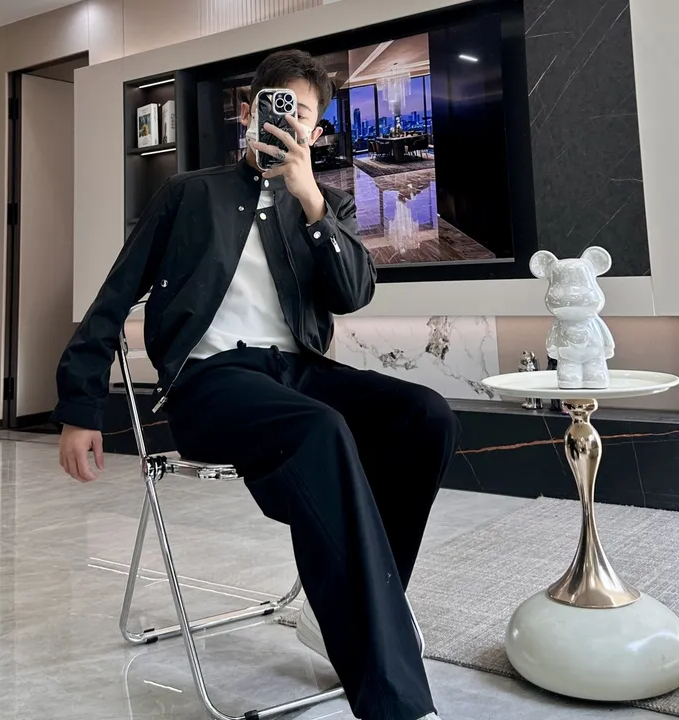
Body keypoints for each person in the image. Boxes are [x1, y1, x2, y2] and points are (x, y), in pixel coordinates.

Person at [55, 49, 460, 720]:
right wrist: (79, 406)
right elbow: (115, 295)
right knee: (320, 428)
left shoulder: (326, 205)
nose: (287, 122)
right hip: (210, 381)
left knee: (425, 415)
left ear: (317, 132)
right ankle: (396, 702)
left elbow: (352, 293)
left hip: (298, 374)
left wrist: (309, 198)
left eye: (302, 115)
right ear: (248, 112)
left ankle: (347, 608)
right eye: (277, 106)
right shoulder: (189, 193)